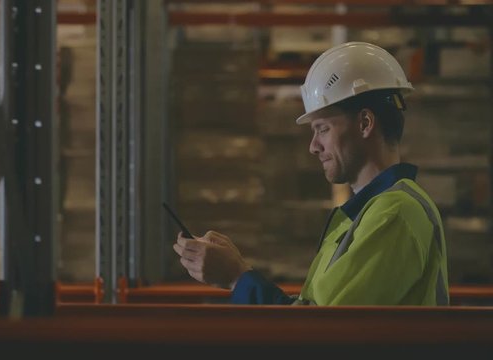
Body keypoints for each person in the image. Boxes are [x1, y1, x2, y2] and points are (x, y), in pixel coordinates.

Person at [172, 41, 449, 306]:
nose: (314, 147)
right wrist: (238, 274)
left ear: (365, 123)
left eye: (323, 129)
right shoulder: (366, 214)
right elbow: (316, 315)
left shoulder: (394, 213)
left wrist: (237, 277)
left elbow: (320, 331)